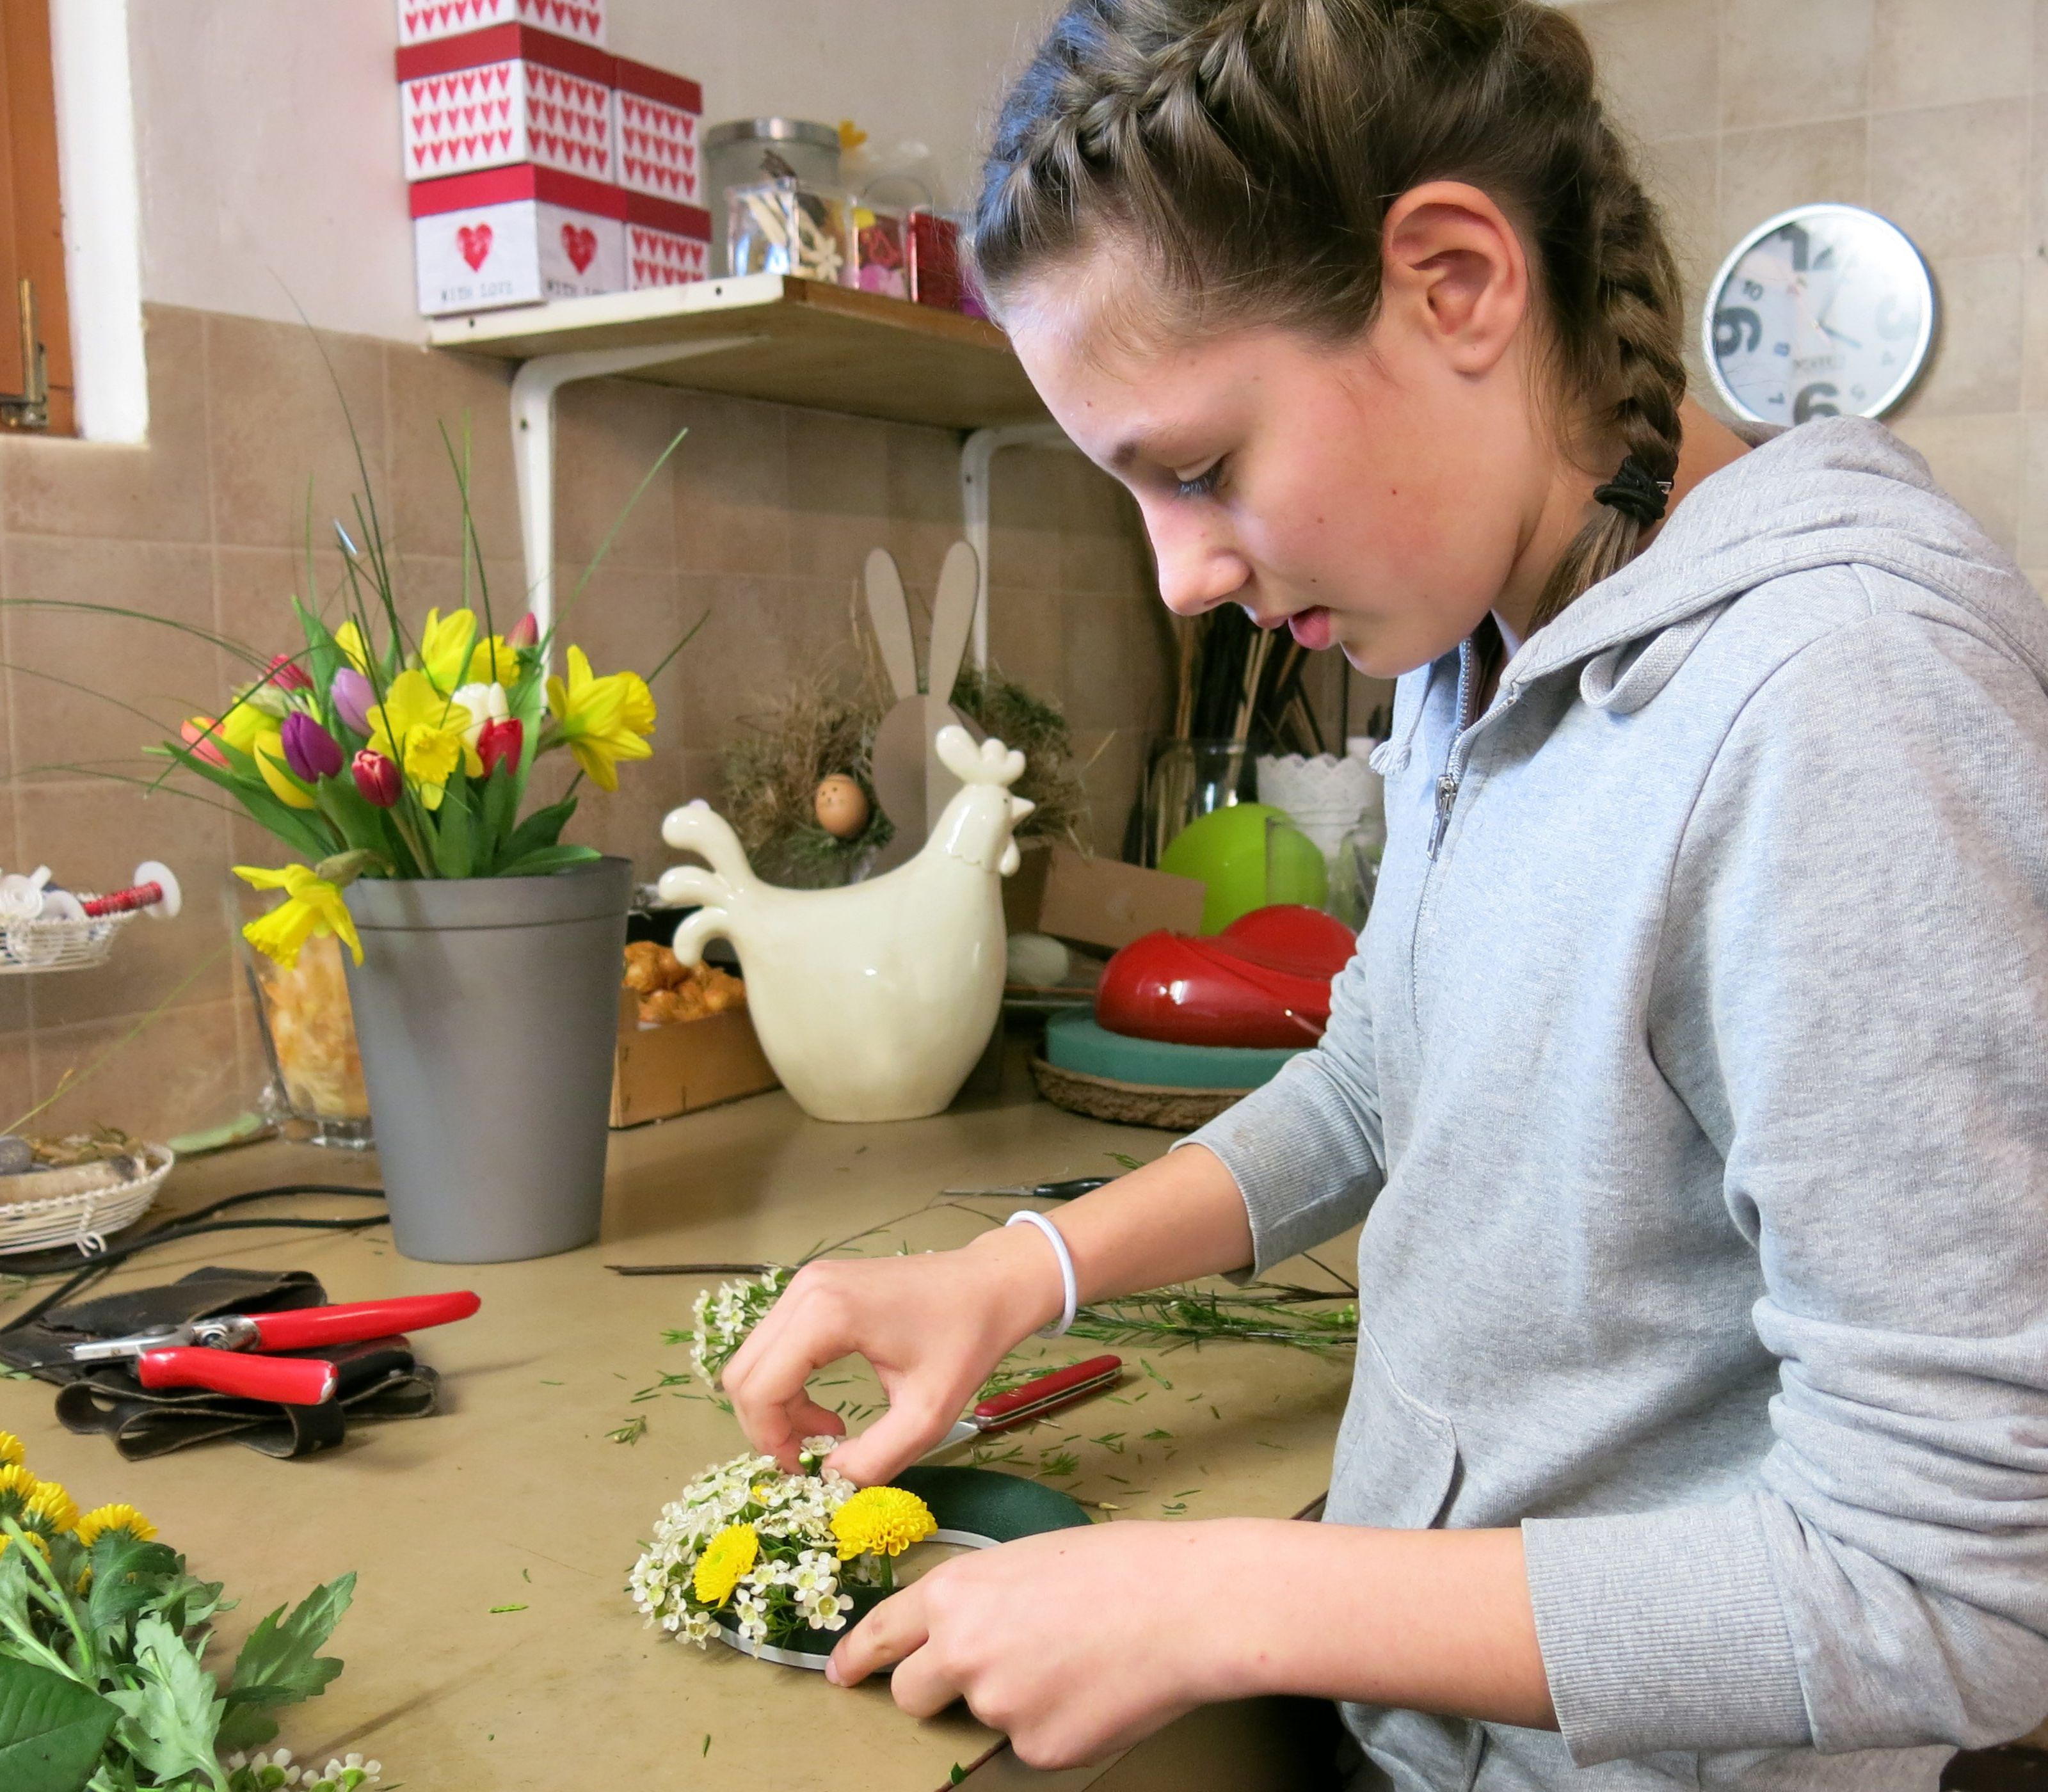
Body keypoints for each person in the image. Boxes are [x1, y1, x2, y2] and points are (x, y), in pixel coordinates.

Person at [721, 1, 2048, 1785]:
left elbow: (1959, 1586)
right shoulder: (1478, 641)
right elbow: (1380, 1078)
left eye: (1197, 467)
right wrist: (1021, 1271)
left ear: (1455, 286)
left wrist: (1225, 1598)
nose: (1179, 576)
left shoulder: (1845, 707)